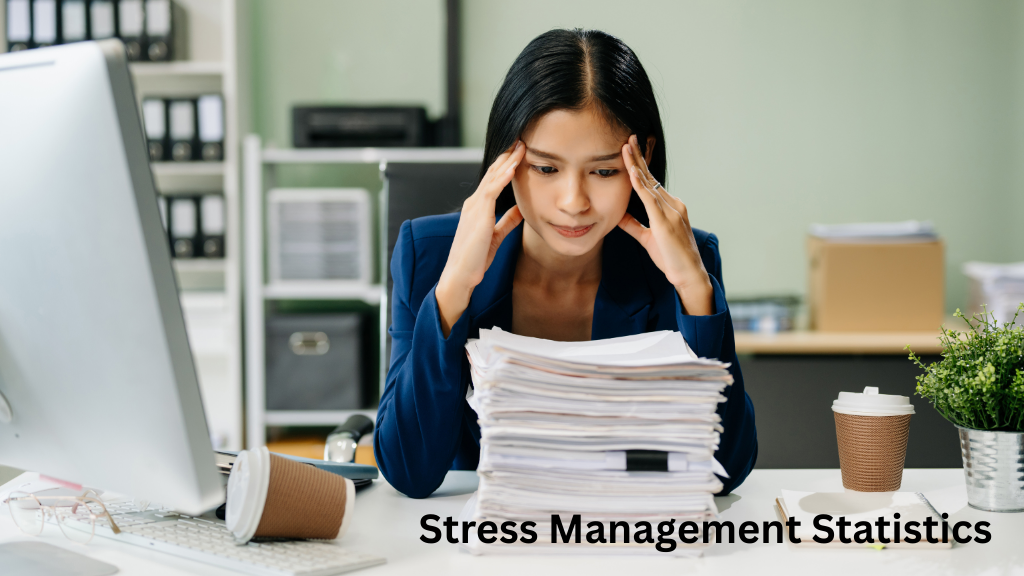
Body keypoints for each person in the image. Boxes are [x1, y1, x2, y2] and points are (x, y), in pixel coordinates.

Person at [374, 28, 757, 498]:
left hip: (625, 536)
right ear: (507, 159)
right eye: (546, 168)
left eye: (603, 171)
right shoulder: (428, 253)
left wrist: (695, 293)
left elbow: (724, 470)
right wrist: (454, 289)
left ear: (643, 160)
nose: (574, 202)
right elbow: (409, 472)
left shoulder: (683, 261)